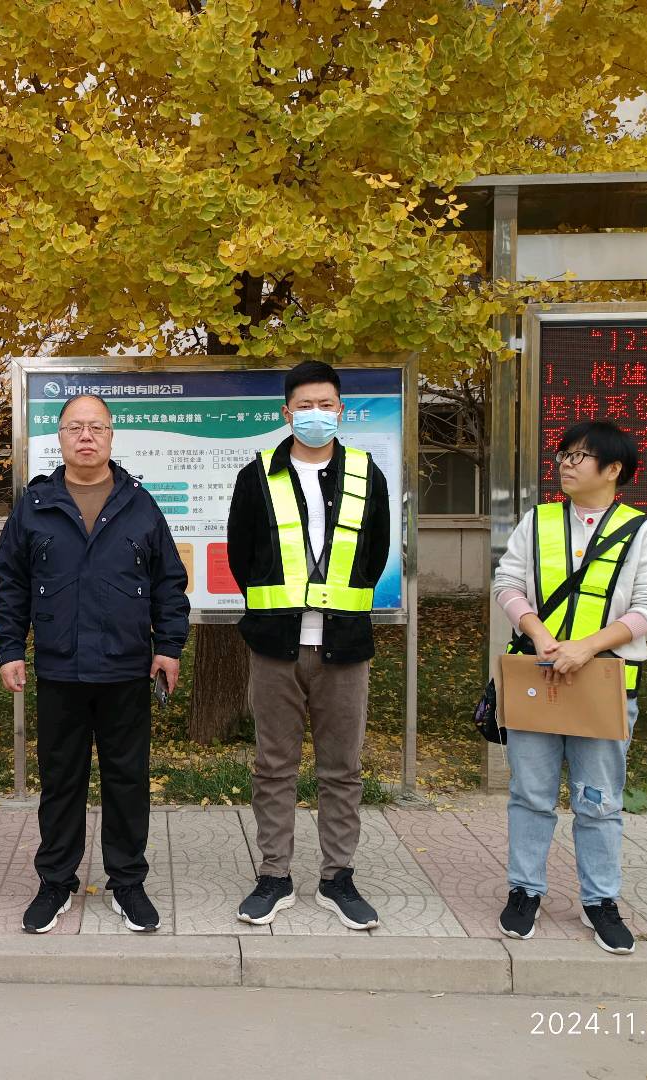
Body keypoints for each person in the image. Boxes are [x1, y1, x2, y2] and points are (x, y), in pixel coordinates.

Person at [0, 393, 190, 934]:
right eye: (75, 427)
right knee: (61, 782)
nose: (86, 436)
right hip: (60, 670)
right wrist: (10, 648)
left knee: (128, 780)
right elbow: (9, 582)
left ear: (110, 436)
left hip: (126, 670)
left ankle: (127, 883)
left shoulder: (139, 504)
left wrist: (169, 647)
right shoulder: (34, 506)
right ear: (59, 437)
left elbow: (169, 583)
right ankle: (56, 881)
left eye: (96, 427)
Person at [492, 420, 647, 954]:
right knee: (530, 794)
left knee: (599, 800)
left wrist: (587, 646)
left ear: (613, 469)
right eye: (564, 455)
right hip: (538, 676)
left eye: (579, 456)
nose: (566, 464)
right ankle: (525, 891)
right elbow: (508, 582)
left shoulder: (644, 531)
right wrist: (540, 634)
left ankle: (600, 900)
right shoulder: (539, 521)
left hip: (605, 683)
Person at [226, 361, 391, 929]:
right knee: (273, 766)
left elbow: (374, 555)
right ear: (286, 412)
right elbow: (242, 557)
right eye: (305, 406)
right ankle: (274, 875)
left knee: (342, 769)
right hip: (276, 645)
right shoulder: (257, 475)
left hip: (344, 645)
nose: (316, 414)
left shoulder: (367, 474)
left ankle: (337, 877)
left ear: (341, 410)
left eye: (326, 405)